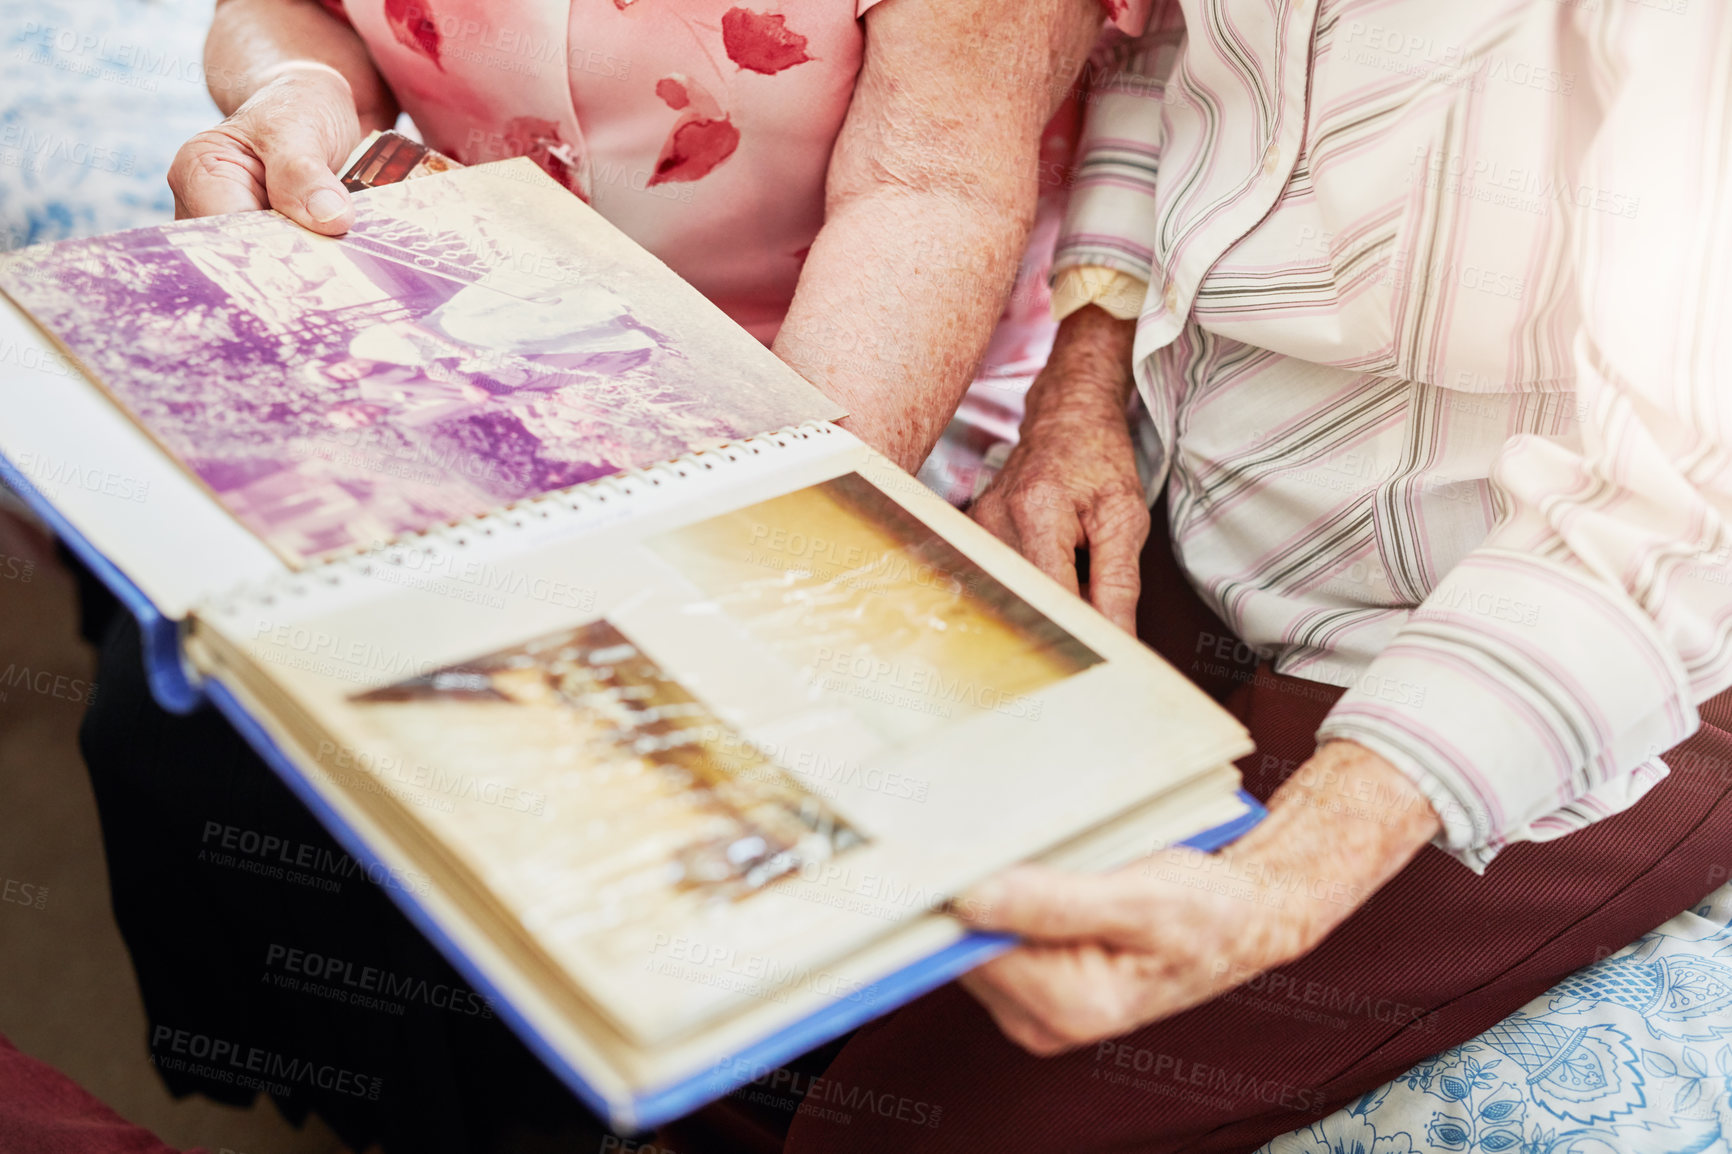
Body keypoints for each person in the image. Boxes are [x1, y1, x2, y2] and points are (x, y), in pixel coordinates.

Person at [80, 1, 1126, 1151]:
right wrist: (298, 93)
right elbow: (283, 11)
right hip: (453, 313)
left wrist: (737, 524)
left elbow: (927, 187)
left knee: (627, 780)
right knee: (209, 708)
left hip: (838, 384)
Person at [751, 1, 1732, 1151]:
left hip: (1542, 652)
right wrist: (1079, 388)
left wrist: (1276, 887)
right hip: (1179, 506)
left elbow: (1673, 508)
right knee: (779, 960)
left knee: (906, 1130)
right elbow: (1164, 56)